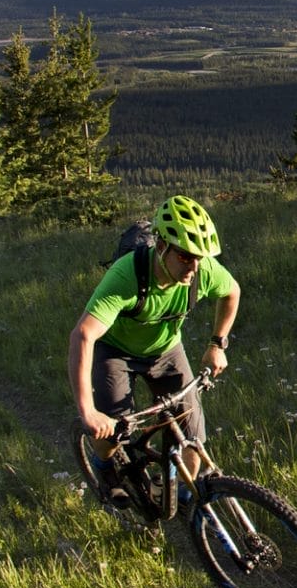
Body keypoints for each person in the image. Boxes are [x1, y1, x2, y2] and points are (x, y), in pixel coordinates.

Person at [69, 194, 240, 504]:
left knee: (193, 438)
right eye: (185, 256)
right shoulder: (126, 277)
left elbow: (231, 292)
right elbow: (83, 336)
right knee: (114, 427)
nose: (194, 265)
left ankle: (184, 499)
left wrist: (217, 344)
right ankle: (105, 467)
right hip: (116, 352)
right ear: (161, 246)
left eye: (199, 257)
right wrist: (88, 412)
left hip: (165, 350)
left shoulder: (202, 271)